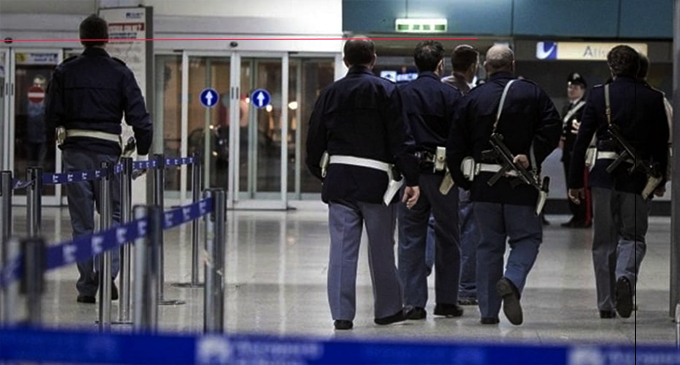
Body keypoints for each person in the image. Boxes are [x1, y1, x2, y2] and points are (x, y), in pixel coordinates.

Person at [306, 36, 420, 330]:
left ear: (345, 61)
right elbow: (400, 138)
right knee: (382, 248)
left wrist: (320, 172)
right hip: (378, 183)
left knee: (341, 251)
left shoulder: (330, 93)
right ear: (374, 59)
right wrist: (412, 177)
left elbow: (314, 138)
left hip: (340, 181)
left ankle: (342, 315)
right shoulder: (387, 90)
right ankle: (388, 311)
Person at [447, 45, 561, 325]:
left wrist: (465, 182)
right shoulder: (533, 93)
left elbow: (455, 145)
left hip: (483, 185)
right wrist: (531, 155)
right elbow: (552, 126)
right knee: (527, 238)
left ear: (486, 66)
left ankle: (488, 312)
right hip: (519, 185)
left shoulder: (473, 97)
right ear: (513, 64)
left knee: (487, 246)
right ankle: (512, 279)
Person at [44, 14, 153, 304]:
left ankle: (88, 286)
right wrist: (142, 152)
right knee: (114, 217)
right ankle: (109, 276)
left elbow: (50, 116)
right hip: (109, 157)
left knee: (82, 223)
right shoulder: (120, 73)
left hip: (75, 154)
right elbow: (140, 118)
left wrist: (47, 154)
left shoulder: (65, 72)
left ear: (82, 38)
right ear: (106, 38)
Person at [568, 46, 668, 319]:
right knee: (633, 236)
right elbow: (660, 145)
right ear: (637, 68)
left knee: (603, 241)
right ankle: (625, 276)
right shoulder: (653, 98)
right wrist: (660, 180)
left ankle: (605, 304)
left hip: (602, 176)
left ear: (611, 68)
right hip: (637, 178)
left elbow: (581, 140)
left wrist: (575, 181)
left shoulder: (600, 94)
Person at [397, 41, 463, 320]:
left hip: (409, 175)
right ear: (440, 66)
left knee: (410, 238)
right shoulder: (451, 95)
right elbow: (460, 137)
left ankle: (413, 303)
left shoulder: (401, 94)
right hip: (442, 176)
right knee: (449, 236)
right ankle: (446, 302)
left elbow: (396, 135)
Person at [442, 44, 480, 306]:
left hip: (437, 171)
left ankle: (420, 278)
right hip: (465, 170)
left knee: (435, 225)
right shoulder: (474, 96)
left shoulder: (438, 89)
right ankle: (466, 288)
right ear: (473, 67)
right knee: (468, 228)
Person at [560, 72, 592, 228]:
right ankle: (576, 214)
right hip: (567, 153)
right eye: (569, 87)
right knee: (570, 185)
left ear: (582, 90)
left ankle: (584, 216)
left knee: (582, 186)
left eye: (575, 87)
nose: (571, 90)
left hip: (579, 154)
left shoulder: (585, 108)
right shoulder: (567, 107)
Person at [26, 74, 48, 168]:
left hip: (43, 136)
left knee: (41, 162)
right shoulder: (26, 100)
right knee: (30, 161)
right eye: (36, 84)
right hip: (29, 134)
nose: (38, 87)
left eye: (41, 85)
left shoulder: (48, 100)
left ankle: (40, 180)